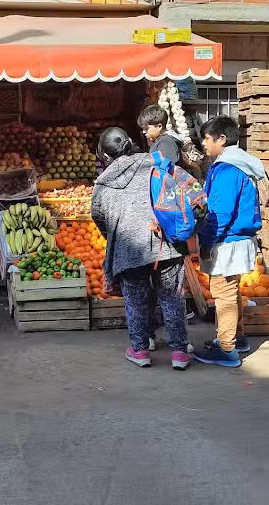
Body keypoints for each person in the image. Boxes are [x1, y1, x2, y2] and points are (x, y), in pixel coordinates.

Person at [91, 127, 191, 370]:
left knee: (135, 301)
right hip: (165, 243)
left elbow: (98, 216)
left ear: (105, 155)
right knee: (172, 298)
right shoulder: (155, 162)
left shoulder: (103, 184)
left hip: (128, 250)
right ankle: (179, 353)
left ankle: (140, 350)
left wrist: (115, 235)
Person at [193, 115, 265, 368]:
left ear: (221, 139)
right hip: (240, 238)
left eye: (207, 138)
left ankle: (226, 349)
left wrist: (207, 241)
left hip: (227, 240)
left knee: (223, 293)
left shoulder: (226, 169)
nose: (203, 143)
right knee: (231, 291)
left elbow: (219, 213)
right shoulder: (241, 163)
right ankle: (237, 337)